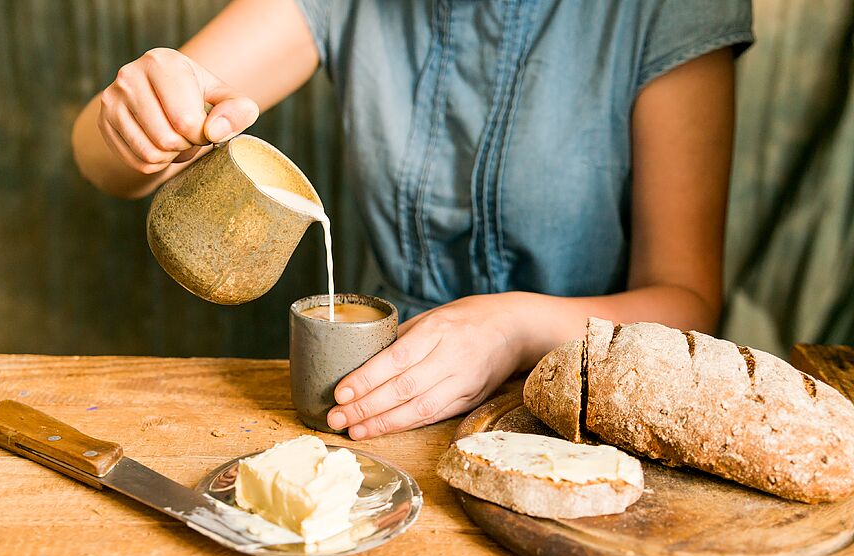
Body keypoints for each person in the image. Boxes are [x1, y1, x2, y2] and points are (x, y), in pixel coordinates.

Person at [73, 0, 753, 440]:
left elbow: (688, 302)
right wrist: (133, 120)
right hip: (374, 410)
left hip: (588, 420)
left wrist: (512, 329)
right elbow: (106, 164)